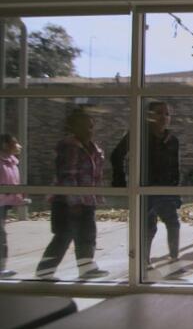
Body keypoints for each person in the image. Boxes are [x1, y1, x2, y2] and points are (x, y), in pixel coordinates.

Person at [35, 108, 109, 280]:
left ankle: (86, 269)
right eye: (83, 126)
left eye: (91, 126)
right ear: (72, 127)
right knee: (63, 237)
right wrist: (74, 201)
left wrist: (95, 197)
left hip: (86, 201)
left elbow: (95, 175)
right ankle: (44, 272)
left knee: (87, 236)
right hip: (66, 202)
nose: (88, 130)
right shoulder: (69, 146)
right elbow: (67, 175)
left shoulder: (93, 148)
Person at [111, 101, 182, 269]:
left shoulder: (172, 140)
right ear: (148, 117)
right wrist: (120, 181)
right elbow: (116, 155)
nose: (163, 117)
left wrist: (176, 190)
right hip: (145, 190)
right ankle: (143, 261)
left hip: (166, 191)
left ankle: (174, 259)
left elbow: (175, 166)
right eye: (159, 113)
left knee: (173, 224)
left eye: (167, 114)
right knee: (149, 227)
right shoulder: (137, 136)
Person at [0, 134, 29, 278]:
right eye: (15, 143)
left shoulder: (12, 162)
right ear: (5, 145)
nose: (18, 146)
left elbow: (13, 185)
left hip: (3, 205)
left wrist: (19, 199)